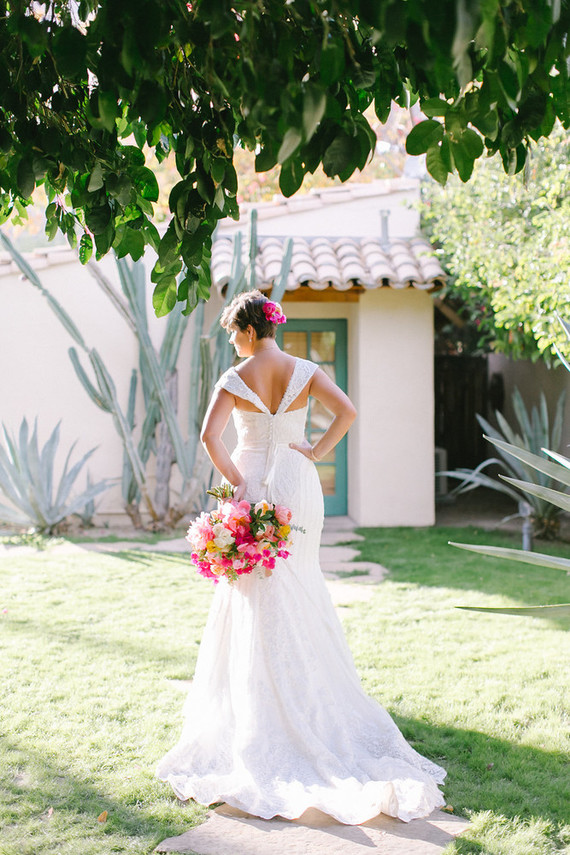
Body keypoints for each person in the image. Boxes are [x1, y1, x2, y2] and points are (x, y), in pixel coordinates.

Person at [156, 289, 446, 824]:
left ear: (245, 330)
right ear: (271, 325)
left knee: (252, 590)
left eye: (232, 334)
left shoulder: (234, 377)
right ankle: (310, 699)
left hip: (251, 482)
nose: (234, 342)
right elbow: (348, 412)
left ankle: (260, 706)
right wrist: (316, 450)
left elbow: (208, 437)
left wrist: (237, 480)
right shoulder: (304, 369)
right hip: (295, 479)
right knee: (298, 583)